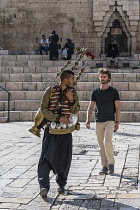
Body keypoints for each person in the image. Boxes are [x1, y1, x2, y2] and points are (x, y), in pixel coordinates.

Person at [38, 70, 80, 197]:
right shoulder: (50, 91)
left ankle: (61, 184)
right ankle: (44, 186)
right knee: (46, 158)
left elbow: (76, 109)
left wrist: (71, 99)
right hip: (51, 131)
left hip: (66, 132)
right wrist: (58, 118)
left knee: (64, 159)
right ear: (66, 80)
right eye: (72, 79)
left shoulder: (72, 92)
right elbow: (43, 109)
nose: (74, 81)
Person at [86, 68, 120, 175]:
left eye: (104, 76)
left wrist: (117, 122)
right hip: (98, 121)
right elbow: (90, 107)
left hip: (110, 120)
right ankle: (104, 166)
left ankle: (111, 164)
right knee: (101, 145)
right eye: (101, 76)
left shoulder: (113, 91)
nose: (102, 78)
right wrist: (87, 120)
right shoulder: (95, 92)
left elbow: (118, 108)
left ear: (108, 78)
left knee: (108, 143)